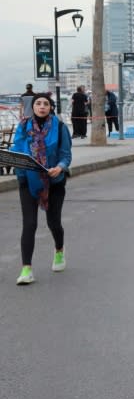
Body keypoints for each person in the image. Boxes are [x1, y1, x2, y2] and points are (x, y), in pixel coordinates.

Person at [12, 93, 73, 285]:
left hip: (54, 182)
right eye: (38, 103)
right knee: (29, 224)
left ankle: (59, 251)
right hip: (27, 179)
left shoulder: (60, 127)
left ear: (51, 107)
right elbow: (17, 149)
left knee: (53, 222)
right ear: (33, 107)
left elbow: (65, 154)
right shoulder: (23, 126)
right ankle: (26, 269)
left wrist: (60, 167)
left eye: (46, 103)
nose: (41, 106)